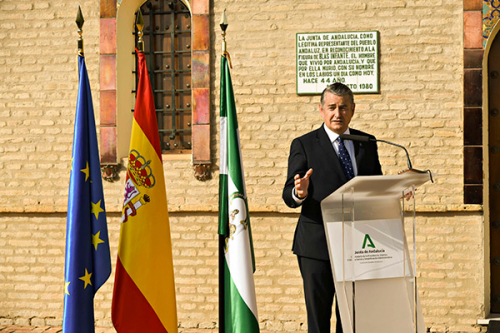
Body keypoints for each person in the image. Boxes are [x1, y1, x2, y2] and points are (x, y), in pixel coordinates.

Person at [282, 82, 383, 333]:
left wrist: (397, 191)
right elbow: (288, 194)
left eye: (343, 107)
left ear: (353, 110)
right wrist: (300, 192)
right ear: (321, 110)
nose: (338, 114)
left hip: (357, 244)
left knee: (350, 318)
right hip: (317, 245)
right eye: (332, 107)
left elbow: (375, 185)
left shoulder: (366, 142)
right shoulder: (304, 144)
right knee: (319, 317)